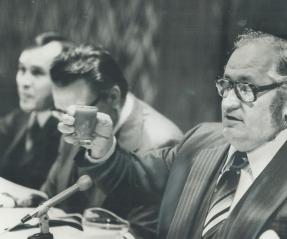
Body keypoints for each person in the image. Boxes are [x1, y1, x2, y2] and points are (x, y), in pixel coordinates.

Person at [58, 30, 287, 239]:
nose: (229, 102)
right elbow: (135, 181)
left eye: (247, 89)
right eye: (227, 85)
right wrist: (103, 148)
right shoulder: (201, 140)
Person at [41, 44, 183, 238]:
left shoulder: (162, 143)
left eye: (75, 112)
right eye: (60, 111)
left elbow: (142, 233)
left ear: (113, 97)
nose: (66, 120)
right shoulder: (72, 121)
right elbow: (50, 196)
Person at [0, 33, 71, 190]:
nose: (25, 82)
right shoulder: (20, 118)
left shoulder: (69, 132)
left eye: (37, 73)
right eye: (21, 70)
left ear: (63, 81)